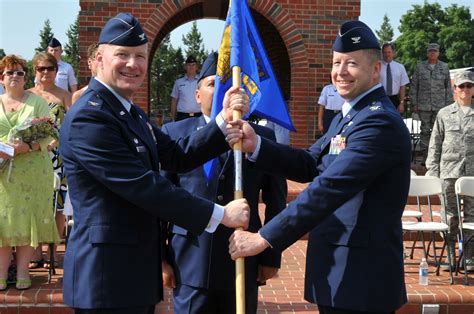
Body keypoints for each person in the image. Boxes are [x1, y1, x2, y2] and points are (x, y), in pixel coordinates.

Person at [59, 13, 250, 313]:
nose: (133, 64)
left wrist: (223, 120)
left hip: (131, 273)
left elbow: (176, 155)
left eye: (140, 56)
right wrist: (219, 214)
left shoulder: (129, 112)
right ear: (98, 59)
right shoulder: (90, 116)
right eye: (122, 55)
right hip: (105, 278)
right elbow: (144, 187)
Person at [228, 20, 412, 314]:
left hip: (362, 278)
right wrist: (257, 146)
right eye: (336, 62)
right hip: (341, 271)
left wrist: (264, 237)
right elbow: (312, 163)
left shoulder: (379, 123)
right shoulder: (348, 117)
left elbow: (329, 188)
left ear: (376, 70)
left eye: (351, 63)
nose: (340, 72)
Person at [160, 52, 287, 314]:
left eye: (230, 84)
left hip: (242, 260)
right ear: (197, 95)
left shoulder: (262, 137)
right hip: (189, 261)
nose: (223, 91)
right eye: (213, 84)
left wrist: (271, 255)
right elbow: (160, 200)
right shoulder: (175, 135)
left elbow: (276, 201)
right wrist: (160, 259)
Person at [0, 55, 60, 291]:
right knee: (3, 221)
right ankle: (2, 273)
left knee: (27, 220)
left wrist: (29, 147)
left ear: (26, 77)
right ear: (1, 77)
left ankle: (24, 270)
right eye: (10, 72)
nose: (15, 76)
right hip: (2, 174)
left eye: (20, 73)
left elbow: (51, 134)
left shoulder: (38, 103)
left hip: (33, 171)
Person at [426, 70, 474, 269]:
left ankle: (469, 257)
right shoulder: (444, 113)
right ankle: (451, 256)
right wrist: (432, 171)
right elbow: (435, 144)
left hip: (472, 174)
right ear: (455, 89)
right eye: (461, 86)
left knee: (472, 216)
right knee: (450, 216)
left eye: (468, 86)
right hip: (449, 172)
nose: (464, 89)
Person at [28, 51, 72, 269]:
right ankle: (36, 253)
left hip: (58, 158)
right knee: (34, 204)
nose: (46, 72)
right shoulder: (27, 95)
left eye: (50, 68)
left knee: (58, 205)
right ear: (34, 71)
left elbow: (73, 127)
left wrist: (57, 140)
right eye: (41, 68)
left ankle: (53, 253)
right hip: (31, 156)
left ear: (57, 71)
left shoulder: (65, 96)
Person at [409, 43, 453, 164]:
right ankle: (425, 157)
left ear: (438, 53)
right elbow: (414, 86)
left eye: (435, 51)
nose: (432, 53)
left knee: (439, 132)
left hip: (440, 106)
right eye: (430, 51)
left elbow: (448, 87)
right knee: (424, 132)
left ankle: (437, 158)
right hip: (423, 106)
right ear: (427, 53)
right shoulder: (420, 67)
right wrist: (414, 103)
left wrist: (449, 106)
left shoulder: (444, 67)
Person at [380, 43, 409, 113]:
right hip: (380, 99)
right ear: (382, 53)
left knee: (394, 122)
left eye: (389, 52)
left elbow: (402, 86)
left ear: (393, 53)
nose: (387, 55)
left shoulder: (400, 67)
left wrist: (401, 103)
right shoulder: (377, 66)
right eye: (384, 52)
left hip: (395, 99)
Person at [170, 55, 201, 121]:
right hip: (182, 116)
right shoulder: (178, 82)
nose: (191, 67)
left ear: (196, 67)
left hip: (199, 116)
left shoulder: (201, 81)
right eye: (189, 65)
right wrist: (173, 118)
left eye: (193, 65)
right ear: (185, 67)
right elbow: (174, 100)